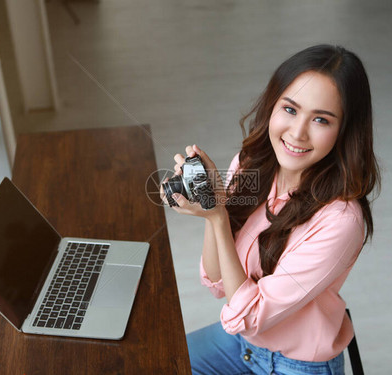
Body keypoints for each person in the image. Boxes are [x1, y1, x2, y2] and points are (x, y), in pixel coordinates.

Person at [162, 44, 380, 375]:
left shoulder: (341, 221)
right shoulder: (250, 167)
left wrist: (218, 217)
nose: (297, 132)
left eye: (321, 119)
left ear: (345, 130)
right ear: (272, 106)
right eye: (290, 110)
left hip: (298, 365)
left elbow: (246, 315)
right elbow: (217, 281)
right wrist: (212, 204)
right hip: (244, 344)